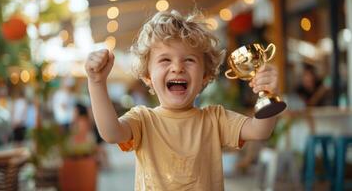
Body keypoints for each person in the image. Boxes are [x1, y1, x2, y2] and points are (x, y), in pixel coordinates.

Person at [85, 10, 281, 190]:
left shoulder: (215, 119)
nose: (177, 67)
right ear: (147, 76)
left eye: (189, 60)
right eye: (165, 60)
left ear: (205, 75)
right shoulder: (143, 120)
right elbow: (111, 133)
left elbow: (260, 130)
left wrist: (269, 93)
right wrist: (96, 83)